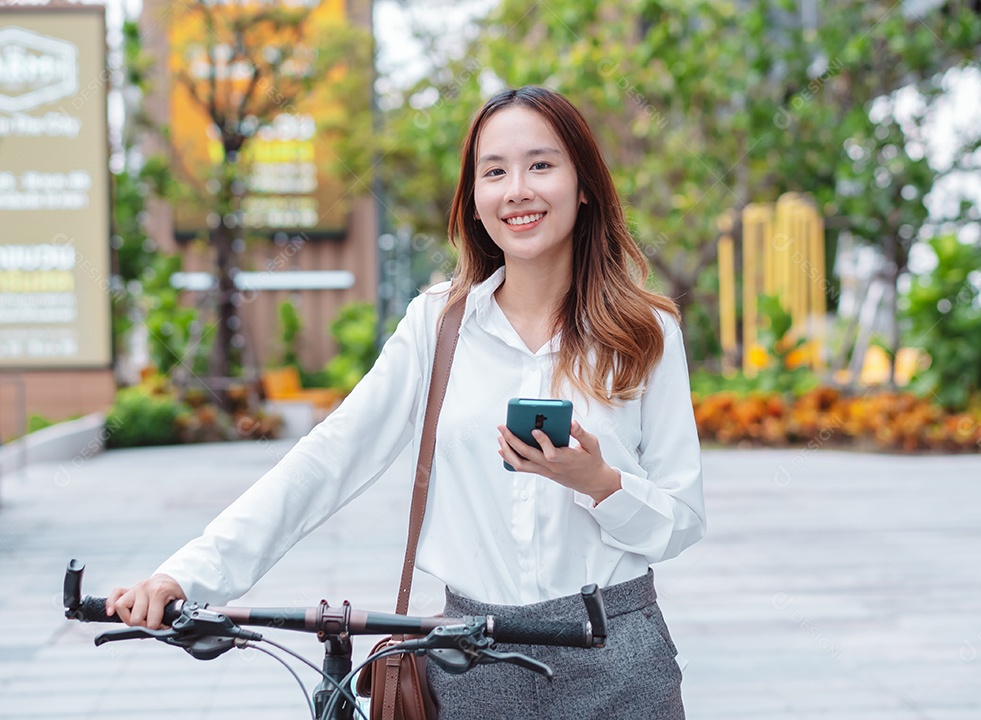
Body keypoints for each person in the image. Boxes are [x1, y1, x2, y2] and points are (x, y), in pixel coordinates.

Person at [108, 86, 707, 719]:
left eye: (541, 165)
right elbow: (327, 460)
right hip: (473, 661)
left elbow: (682, 519)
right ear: (473, 200)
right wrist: (186, 576)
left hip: (616, 659)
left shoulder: (645, 333)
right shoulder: (436, 328)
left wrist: (601, 483)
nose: (517, 190)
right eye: (494, 171)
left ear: (584, 184)